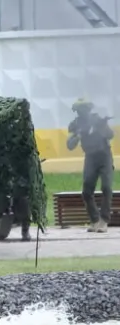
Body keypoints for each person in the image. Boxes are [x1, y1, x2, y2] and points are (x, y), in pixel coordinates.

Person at [67, 98, 112, 233]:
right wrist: (80, 134)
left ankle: (104, 220)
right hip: (90, 157)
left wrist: (102, 127)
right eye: (81, 109)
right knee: (86, 191)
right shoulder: (76, 124)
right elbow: (69, 146)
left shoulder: (97, 120)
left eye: (85, 108)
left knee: (106, 187)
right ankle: (95, 220)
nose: (83, 112)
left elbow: (111, 135)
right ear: (77, 111)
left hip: (104, 156)